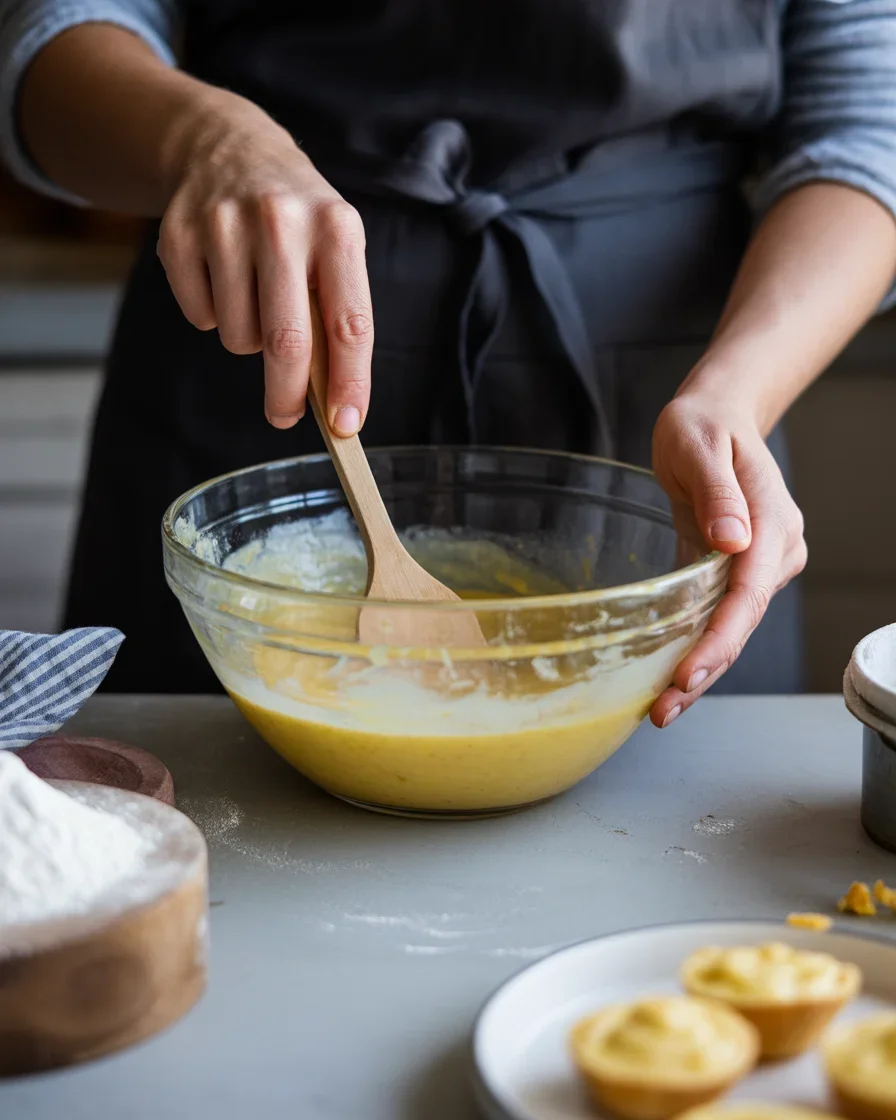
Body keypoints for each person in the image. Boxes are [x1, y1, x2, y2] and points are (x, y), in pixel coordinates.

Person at [1, 2, 895, 728]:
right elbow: (46, 35)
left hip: (672, 391)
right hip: (255, 332)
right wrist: (205, 141)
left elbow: (867, 126)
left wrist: (736, 394)